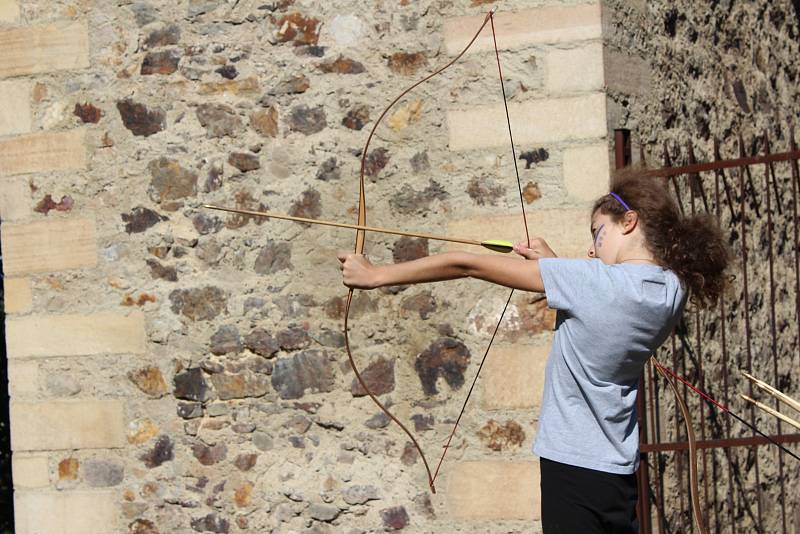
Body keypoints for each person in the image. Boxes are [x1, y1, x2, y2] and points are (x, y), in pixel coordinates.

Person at [337, 172, 729, 533]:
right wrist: (557, 267)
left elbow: (466, 264)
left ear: (629, 222)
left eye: (598, 233)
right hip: (617, 468)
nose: (593, 248)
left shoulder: (591, 283)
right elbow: (601, 298)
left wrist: (375, 275)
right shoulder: (672, 289)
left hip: (572, 466)